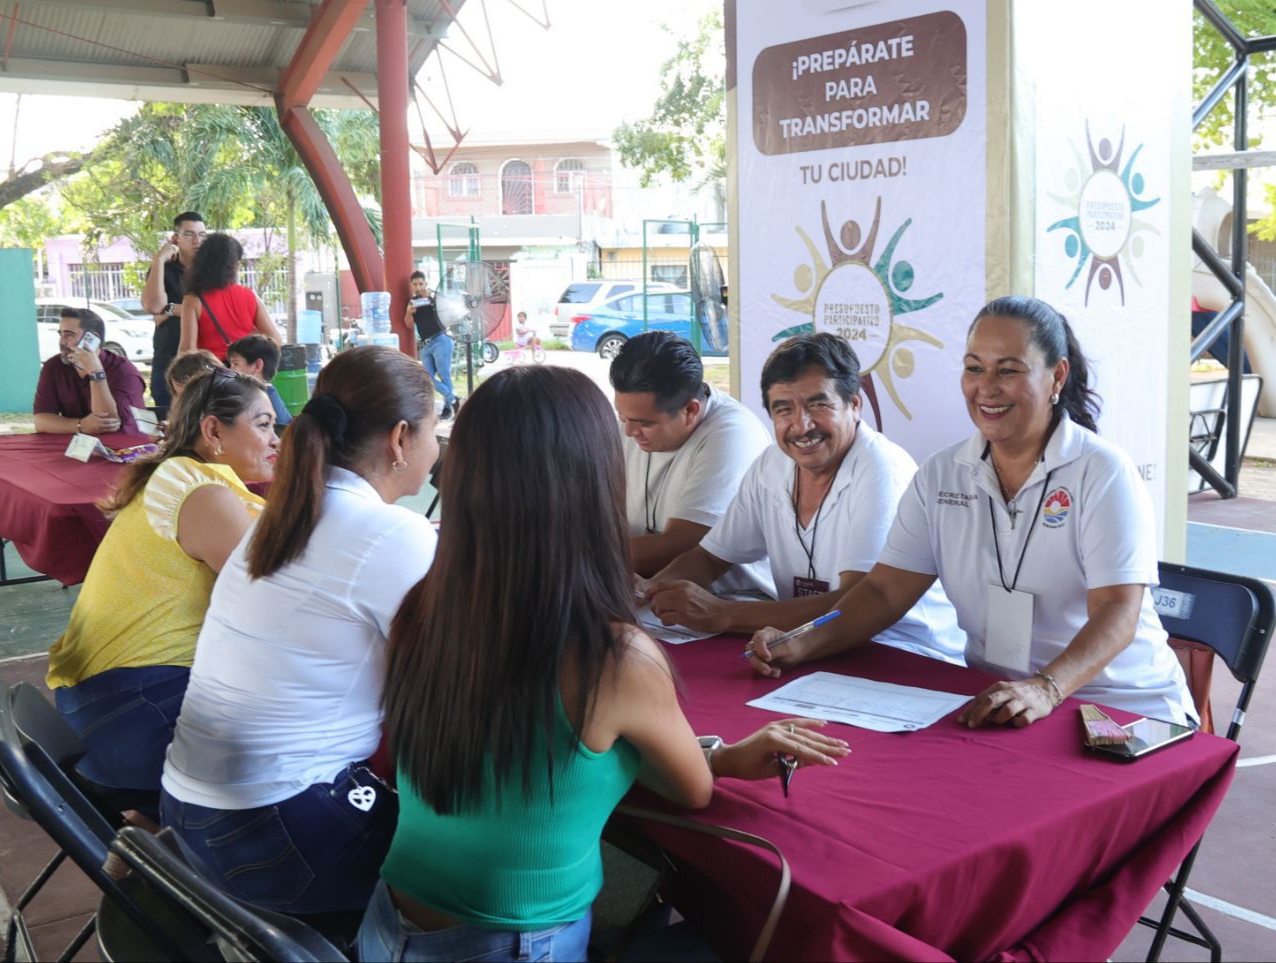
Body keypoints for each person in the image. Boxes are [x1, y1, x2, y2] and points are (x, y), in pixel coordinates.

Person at [358, 366, 848, 963]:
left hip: (388, 924)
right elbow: (688, 788)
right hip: (513, 942)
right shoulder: (612, 656)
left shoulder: (423, 607)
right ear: (593, 482)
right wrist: (724, 757)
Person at [747, 296, 1197, 728]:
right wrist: (799, 643)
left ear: (1057, 376)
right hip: (996, 699)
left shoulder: (1102, 471)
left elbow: (1117, 610)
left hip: (1115, 705)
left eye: (1009, 370)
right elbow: (883, 592)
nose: (986, 388)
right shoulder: (942, 474)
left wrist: (1046, 689)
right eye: (973, 369)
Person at [161, 347, 438, 915]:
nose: (438, 448)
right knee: (477, 867)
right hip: (273, 833)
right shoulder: (392, 535)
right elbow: (464, 675)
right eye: (436, 428)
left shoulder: (284, 517)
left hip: (192, 814)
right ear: (401, 437)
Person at [645, 333, 965, 664]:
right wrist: (648, 595)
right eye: (784, 409)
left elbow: (853, 603)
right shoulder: (773, 463)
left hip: (903, 653)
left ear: (854, 405)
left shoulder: (881, 469)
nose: (802, 426)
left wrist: (723, 614)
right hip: (808, 647)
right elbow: (709, 558)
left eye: (818, 404)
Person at [46, 369, 278, 801]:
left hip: (101, 711)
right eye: (263, 424)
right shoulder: (202, 492)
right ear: (213, 430)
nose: (275, 439)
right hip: (134, 717)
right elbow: (269, 613)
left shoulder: (177, 475)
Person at [610, 332, 772, 598]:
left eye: (645, 423)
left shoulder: (734, 434)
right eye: (622, 417)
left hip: (731, 602)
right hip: (647, 595)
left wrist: (584, 561)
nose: (629, 432)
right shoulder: (633, 421)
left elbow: (682, 545)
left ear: (691, 410)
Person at [32, 307, 146, 435]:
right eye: (61, 334)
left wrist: (96, 373)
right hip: (76, 446)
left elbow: (107, 423)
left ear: (91, 338)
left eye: (69, 335)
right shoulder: (54, 366)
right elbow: (40, 420)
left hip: (122, 447)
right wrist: (81, 425)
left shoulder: (124, 371)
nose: (62, 342)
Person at [178, 232, 284, 360]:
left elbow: (187, 350)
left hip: (213, 374)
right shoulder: (250, 296)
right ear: (234, 265)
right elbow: (276, 341)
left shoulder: (193, 300)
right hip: (245, 374)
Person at [142, 211, 206, 411]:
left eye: (202, 234)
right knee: (170, 420)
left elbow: (211, 310)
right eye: (189, 234)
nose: (197, 240)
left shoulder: (213, 271)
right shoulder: (165, 269)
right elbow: (153, 306)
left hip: (206, 357)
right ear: (175, 238)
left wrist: (170, 309)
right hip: (168, 358)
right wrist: (159, 260)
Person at [406, 271, 456, 420]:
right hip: (426, 344)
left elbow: (447, 312)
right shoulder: (412, 302)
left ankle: (448, 409)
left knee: (444, 374)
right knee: (426, 378)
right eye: (415, 284)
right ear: (411, 285)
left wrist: (430, 298)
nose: (418, 287)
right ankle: (454, 399)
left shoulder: (434, 298)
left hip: (441, 339)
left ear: (426, 284)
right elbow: (408, 323)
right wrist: (409, 312)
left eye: (421, 283)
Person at [227, 333, 292, 429]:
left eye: (235, 364)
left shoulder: (267, 402)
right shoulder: (260, 396)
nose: (230, 370)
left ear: (258, 366)